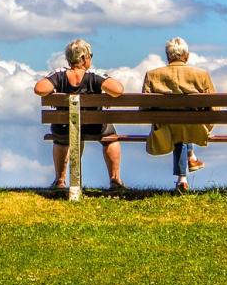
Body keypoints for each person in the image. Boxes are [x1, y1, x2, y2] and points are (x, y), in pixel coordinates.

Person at [34, 38, 126, 191]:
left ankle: (60, 180)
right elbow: (118, 90)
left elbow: (39, 89)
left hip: (64, 127)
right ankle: (115, 180)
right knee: (111, 139)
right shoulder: (94, 75)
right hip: (94, 127)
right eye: (90, 55)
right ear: (83, 58)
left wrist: (53, 92)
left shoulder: (59, 75)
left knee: (61, 139)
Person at [141, 36, 215, 193]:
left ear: (168, 56)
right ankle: (189, 161)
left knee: (176, 125)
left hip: (165, 129)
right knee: (183, 125)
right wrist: (206, 126)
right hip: (195, 128)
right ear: (186, 56)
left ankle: (183, 177)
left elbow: (144, 108)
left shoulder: (152, 75)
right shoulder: (201, 75)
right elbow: (214, 108)